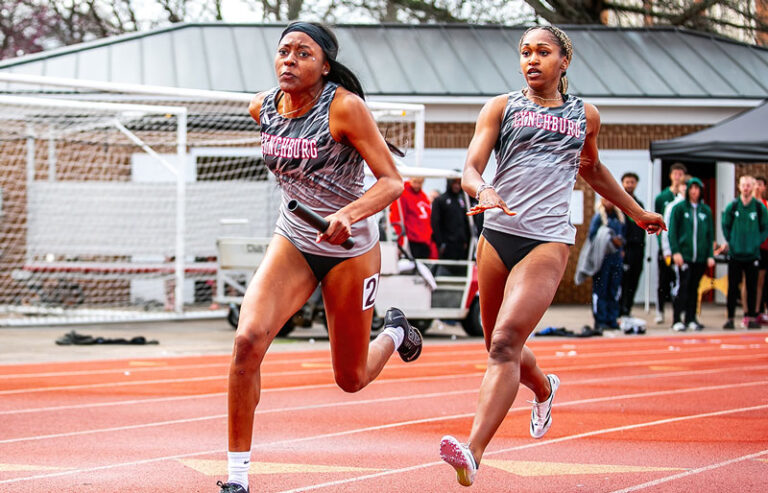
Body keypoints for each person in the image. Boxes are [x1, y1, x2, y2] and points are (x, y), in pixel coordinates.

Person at [438, 25, 665, 487]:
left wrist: (637, 211)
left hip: (547, 240)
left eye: (543, 51)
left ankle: (473, 452)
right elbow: (470, 169)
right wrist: (484, 188)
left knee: (503, 344)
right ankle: (543, 387)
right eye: (525, 52)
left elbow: (593, 168)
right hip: (498, 235)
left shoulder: (586, 115)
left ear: (565, 61)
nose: (532, 60)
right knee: (495, 345)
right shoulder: (501, 107)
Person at [218, 22, 424, 493]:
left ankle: (395, 331)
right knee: (247, 342)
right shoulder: (261, 106)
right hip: (293, 241)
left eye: (303, 54)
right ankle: (237, 478)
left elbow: (392, 181)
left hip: (349, 251)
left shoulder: (345, 108)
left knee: (350, 378)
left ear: (325, 66)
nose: (289, 60)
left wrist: (348, 215)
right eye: (283, 51)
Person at [667, 177, 715, 331]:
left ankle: (691, 318)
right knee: (683, 287)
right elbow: (672, 231)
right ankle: (676, 319)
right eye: (691, 188)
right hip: (684, 255)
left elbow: (710, 235)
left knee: (695, 288)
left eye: (697, 188)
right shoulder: (679, 208)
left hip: (699, 257)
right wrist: (675, 251)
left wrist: (710, 255)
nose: (694, 191)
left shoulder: (705, 210)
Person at [721, 175, 768, 330]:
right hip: (736, 253)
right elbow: (725, 225)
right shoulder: (733, 206)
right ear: (739, 187)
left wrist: (756, 241)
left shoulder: (759, 207)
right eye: (744, 185)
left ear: (753, 187)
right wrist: (732, 241)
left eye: (749, 185)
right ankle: (730, 317)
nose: (746, 188)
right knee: (733, 287)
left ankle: (752, 316)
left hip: (752, 254)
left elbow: (765, 228)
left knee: (752, 286)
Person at [654, 162, 687, 324]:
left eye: (681, 174)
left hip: (679, 249)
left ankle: (679, 312)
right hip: (666, 247)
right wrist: (663, 246)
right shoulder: (663, 198)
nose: (678, 177)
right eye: (676, 173)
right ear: (671, 176)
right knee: (663, 281)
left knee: (679, 282)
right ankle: (660, 310)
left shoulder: (685, 200)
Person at [588, 197, 625, 331]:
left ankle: (612, 318)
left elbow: (623, 236)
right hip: (603, 259)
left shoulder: (619, 217)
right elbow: (592, 236)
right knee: (601, 289)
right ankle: (600, 319)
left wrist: (620, 244)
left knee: (613, 290)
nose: (609, 202)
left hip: (616, 259)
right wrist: (608, 240)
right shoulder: (599, 217)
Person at [431, 176, 472, 274]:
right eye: (455, 183)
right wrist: (441, 243)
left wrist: (466, 240)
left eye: (459, 183)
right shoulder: (440, 200)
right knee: (446, 271)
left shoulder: (463, 200)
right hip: (447, 246)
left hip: (461, 247)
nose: (457, 186)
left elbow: (466, 222)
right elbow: (435, 223)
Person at [618, 172, 646, 317]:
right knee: (623, 281)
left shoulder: (639, 205)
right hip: (625, 249)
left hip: (638, 249)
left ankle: (627, 309)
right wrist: (621, 248)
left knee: (634, 280)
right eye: (627, 182)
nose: (630, 185)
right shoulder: (619, 203)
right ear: (623, 183)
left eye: (632, 182)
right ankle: (618, 310)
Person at [389, 176, 434, 259]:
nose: (417, 185)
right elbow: (396, 218)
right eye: (415, 182)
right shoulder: (402, 195)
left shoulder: (423, 197)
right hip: (410, 241)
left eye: (420, 183)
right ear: (410, 180)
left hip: (424, 241)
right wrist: (402, 241)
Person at [752, 176, 768, 324]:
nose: (757, 187)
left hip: (764, 248)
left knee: (762, 281)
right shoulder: (747, 205)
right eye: (754, 184)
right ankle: (753, 311)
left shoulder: (765, 205)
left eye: (760, 184)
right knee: (753, 281)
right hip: (751, 249)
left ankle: (760, 311)